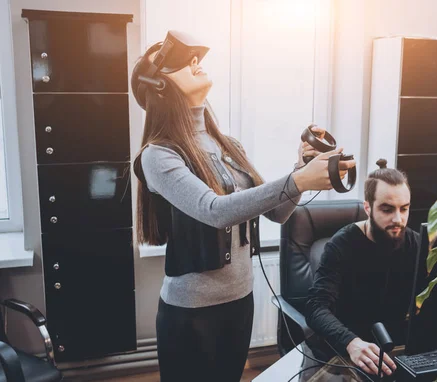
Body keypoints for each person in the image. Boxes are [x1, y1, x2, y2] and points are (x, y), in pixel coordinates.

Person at [130, 30, 355, 382]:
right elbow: (215, 210)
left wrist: (300, 170)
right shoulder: (158, 155)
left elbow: (277, 212)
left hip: (240, 301)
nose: (196, 64)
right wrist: (300, 180)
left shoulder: (228, 145)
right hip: (190, 312)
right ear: (159, 86)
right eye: (183, 62)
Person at [305, 159, 422, 378]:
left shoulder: (415, 243)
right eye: (387, 210)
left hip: (392, 352)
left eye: (404, 209)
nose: (398, 219)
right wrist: (351, 342)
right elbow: (315, 307)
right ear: (367, 207)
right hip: (346, 351)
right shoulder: (341, 245)